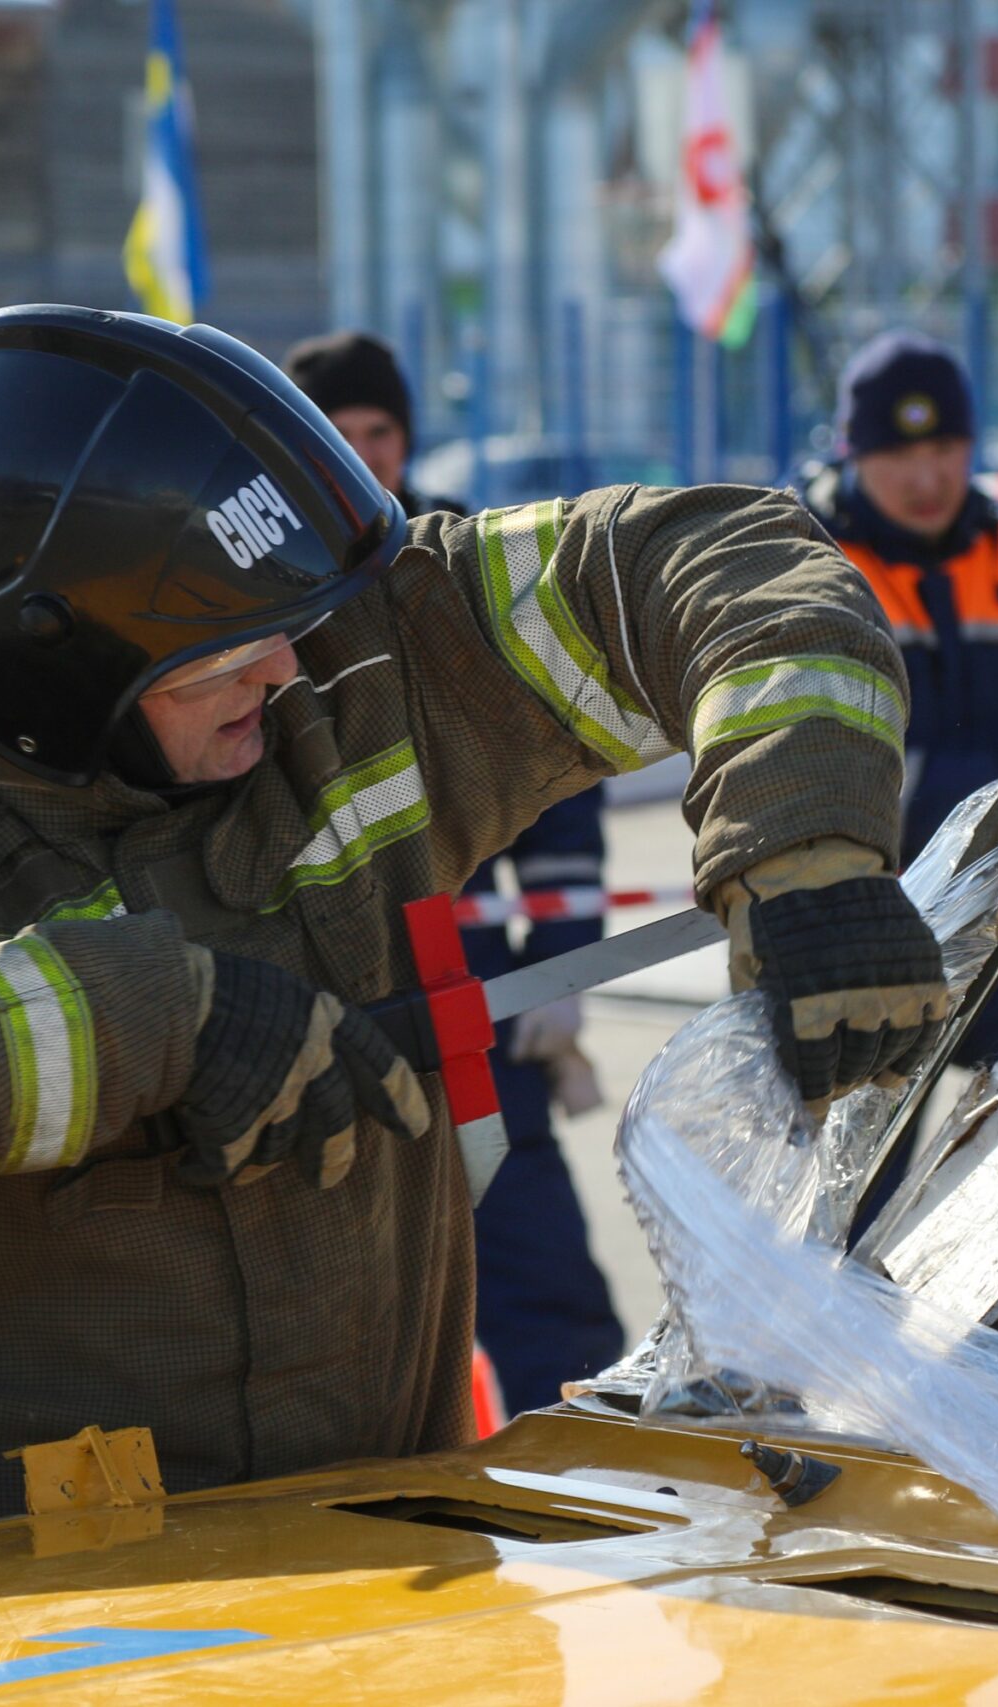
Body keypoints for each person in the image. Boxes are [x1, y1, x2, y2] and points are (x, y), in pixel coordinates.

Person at [0, 304, 935, 1546]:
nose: (287, 667)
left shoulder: (348, 664)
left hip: (382, 1577)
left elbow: (712, 554)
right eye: (225, 645)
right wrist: (138, 1023)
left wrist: (804, 839)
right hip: (14, 1628)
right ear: (50, 656)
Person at [285, 328, 623, 1408]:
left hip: (472, 1002)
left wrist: (559, 976)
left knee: (545, 1289)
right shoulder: (242, 592)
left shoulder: (455, 570)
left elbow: (564, 785)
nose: (360, 454)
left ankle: (596, 1510)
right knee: (337, 1315)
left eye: (378, 432)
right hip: (317, 1006)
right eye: (333, 434)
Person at [799, 331, 998, 1062]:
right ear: (853, 454)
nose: (927, 475)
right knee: (863, 1171)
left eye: (945, 447)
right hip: (861, 921)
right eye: (899, 454)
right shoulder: (808, 568)